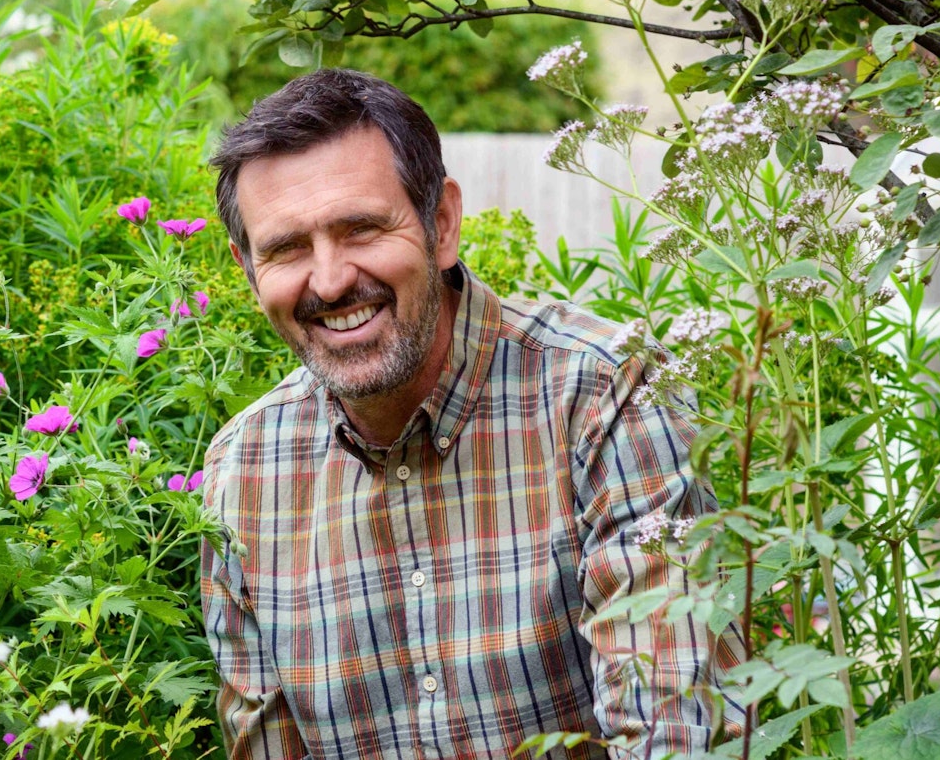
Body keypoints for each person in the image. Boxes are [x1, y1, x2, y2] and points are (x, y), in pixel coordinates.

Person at [198, 68, 745, 759]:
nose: (330, 279)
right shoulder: (241, 474)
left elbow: (675, 731)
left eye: (362, 229)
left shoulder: (606, 396)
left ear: (443, 224)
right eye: (286, 249)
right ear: (248, 270)